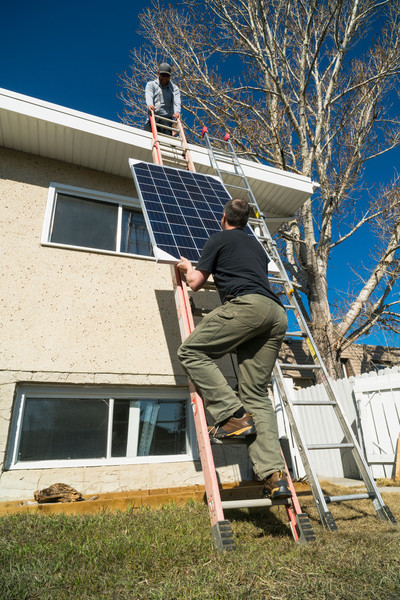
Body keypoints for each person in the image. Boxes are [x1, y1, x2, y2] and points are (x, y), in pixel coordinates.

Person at [177, 198, 292, 500]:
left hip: (247, 307)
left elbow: (196, 283)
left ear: (224, 217)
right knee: (256, 393)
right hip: (276, 314)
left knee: (191, 352)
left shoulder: (219, 239)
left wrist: (188, 267)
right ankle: (274, 476)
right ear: (247, 222)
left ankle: (233, 416)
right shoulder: (256, 247)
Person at [144, 62, 181, 135]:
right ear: (158, 74)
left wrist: (177, 112)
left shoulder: (174, 89)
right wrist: (150, 105)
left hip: (166, 120)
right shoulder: (151, 84)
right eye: (163, 75)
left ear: (170, 77)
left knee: (166, 140)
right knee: (146, 139)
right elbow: (149, 95)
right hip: (152, 117)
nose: (164, 78)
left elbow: (177, 102)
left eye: (167, 76)